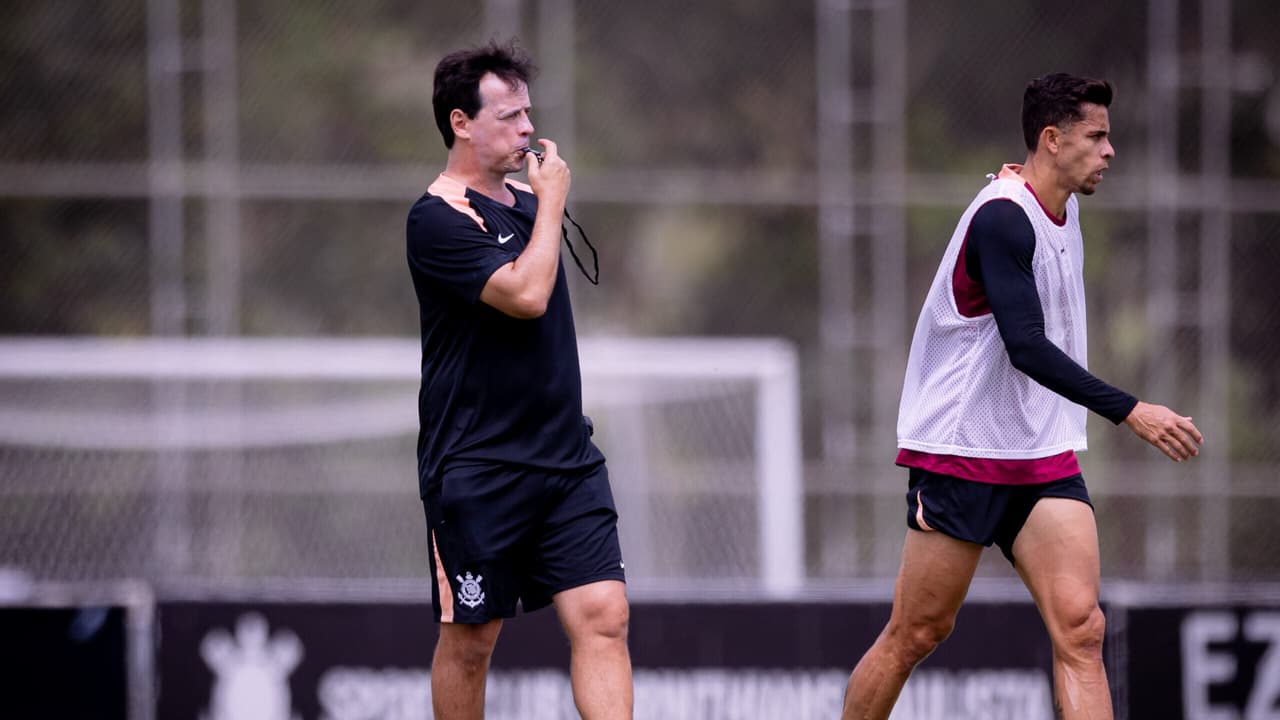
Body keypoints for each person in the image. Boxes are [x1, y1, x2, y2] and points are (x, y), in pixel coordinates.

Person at [840, 73, 1204, 720]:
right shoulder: (1003, 219)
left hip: (1041, 454)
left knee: (1082, 631)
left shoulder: (1063, 208)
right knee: (917, 634)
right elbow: (1026, 347)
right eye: (1096, 137)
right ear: (1052, 139)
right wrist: (1132, 410)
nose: (1109, 151)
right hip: (961, 452)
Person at [405, 41, 631, 720]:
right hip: (478, 467)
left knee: (604, 616)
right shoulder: (437, 219)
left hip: (565, 458)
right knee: (471, 643)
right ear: (461, 123)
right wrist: (552, 202)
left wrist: (542, 206)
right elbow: (526, 295)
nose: (528, 129)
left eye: (528, 112)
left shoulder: (530, 208)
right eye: (509, 116)